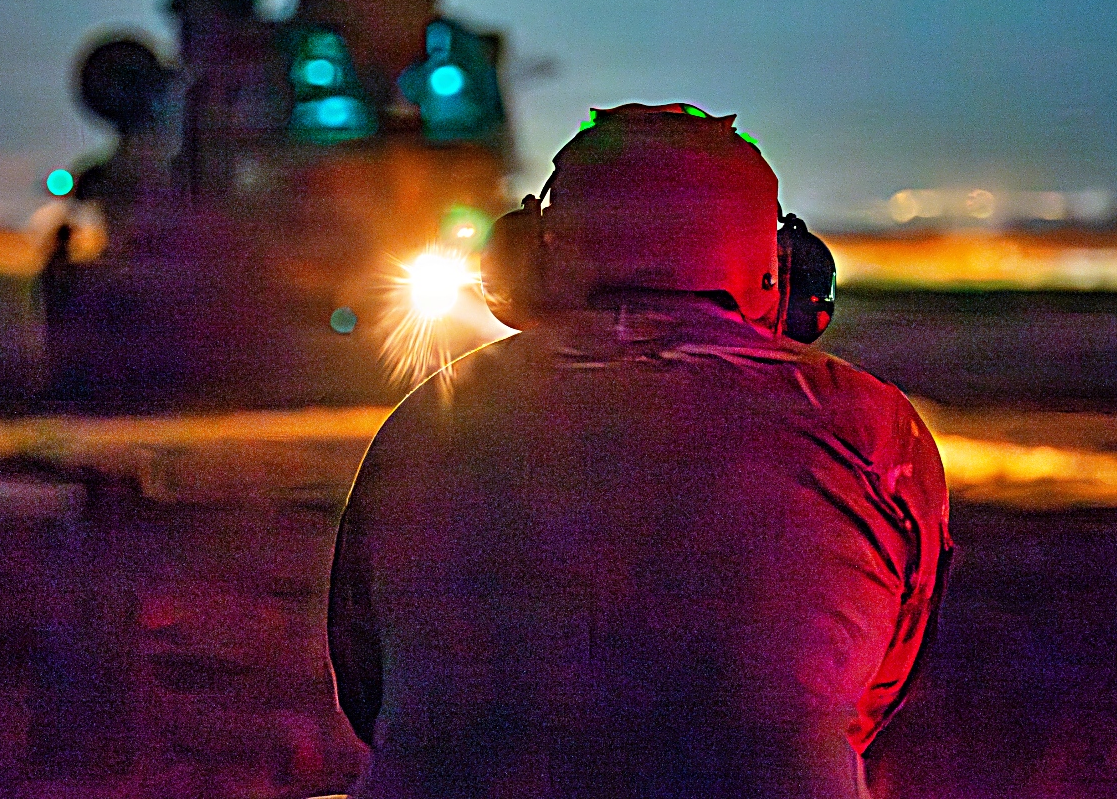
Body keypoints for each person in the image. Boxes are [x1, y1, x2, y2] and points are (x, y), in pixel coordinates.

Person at [327, 104, 952, 798]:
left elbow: (365, 681)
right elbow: (879, 686)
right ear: (783, 271)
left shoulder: (426, 419)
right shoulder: (872, 428)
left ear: (526, 259)